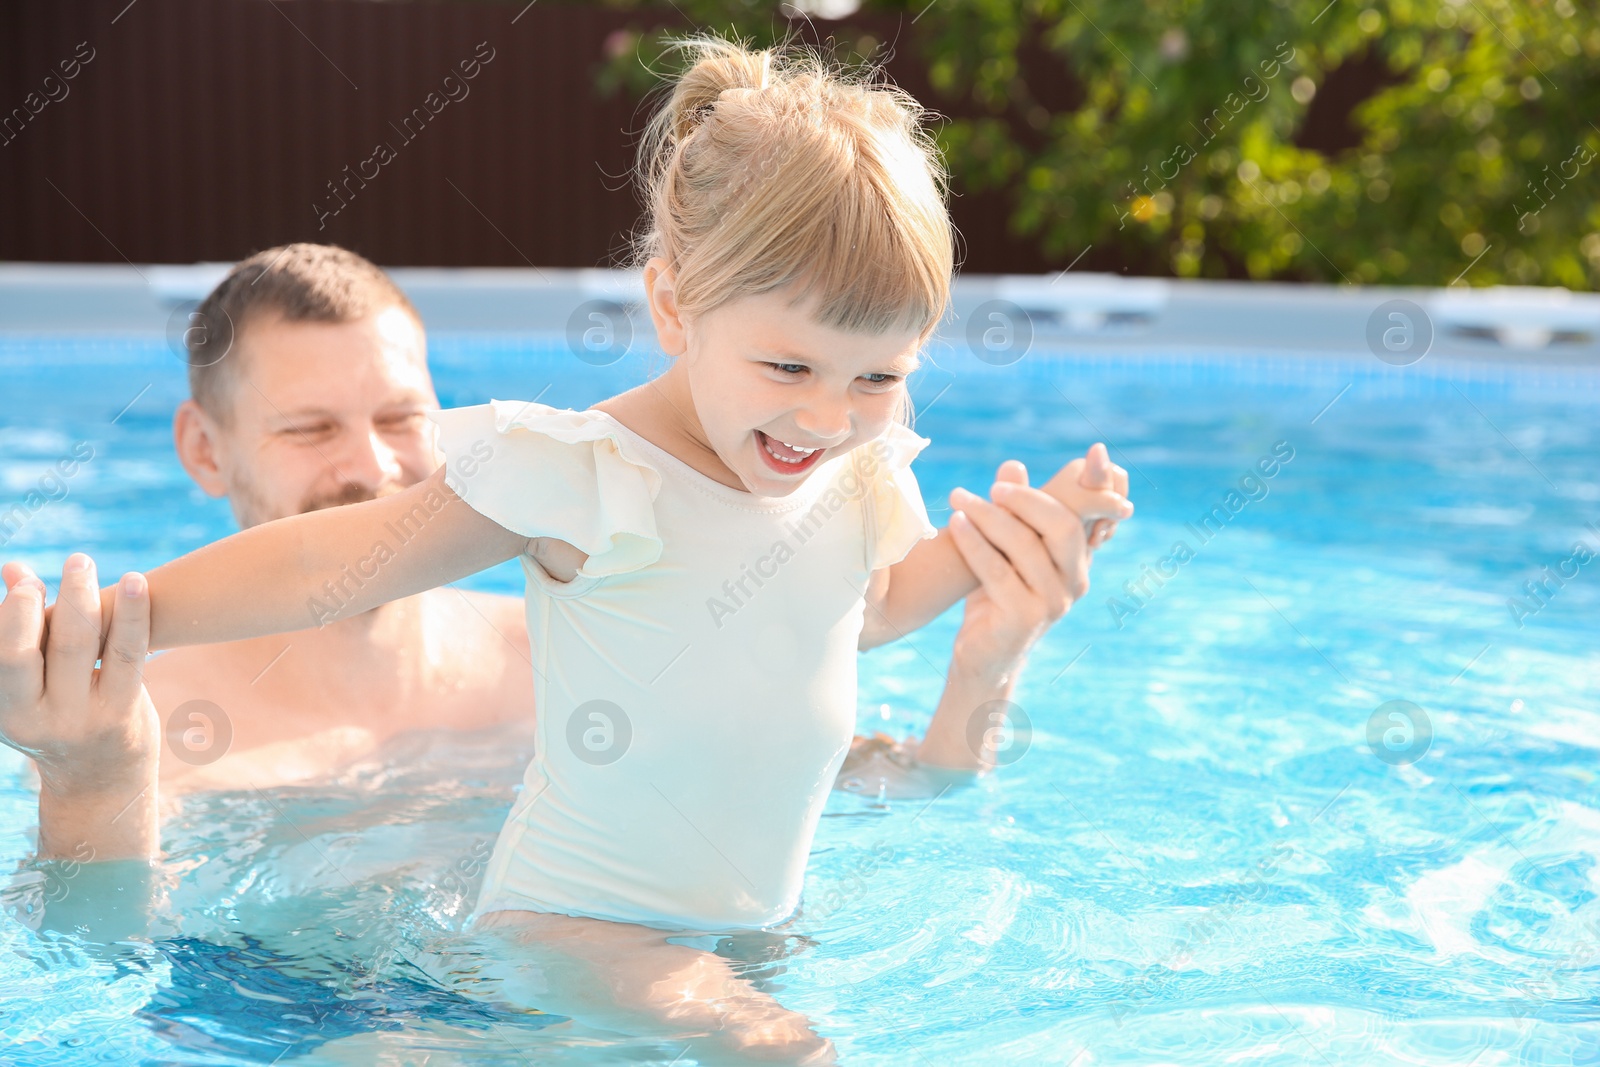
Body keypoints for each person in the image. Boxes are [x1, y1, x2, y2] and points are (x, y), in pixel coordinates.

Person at [1, 38, 1133, 1065]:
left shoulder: (839, 466)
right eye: (789, 369)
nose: (828, 416)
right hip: (561, 929)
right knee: (786, 1053)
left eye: (879, 377)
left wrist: (993, 597)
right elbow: (323, 563)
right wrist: (112, 627)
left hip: (729, 927)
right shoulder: (581, 476)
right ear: (674, 304)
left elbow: (870, 609)